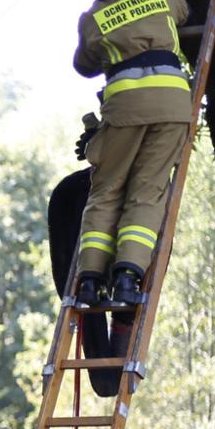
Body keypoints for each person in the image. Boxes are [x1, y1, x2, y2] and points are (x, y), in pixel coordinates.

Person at [71, 0, 192, 308]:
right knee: (148, 191)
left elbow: (84, 65)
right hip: (173, 105)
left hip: (125, 109)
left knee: (106, 191)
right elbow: (184, 12)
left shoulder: (92, 19)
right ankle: (128, 277)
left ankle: (89, 281)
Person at [50, 114, 135, 398]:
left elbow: (65, 280)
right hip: (112, 276)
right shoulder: (132, 187)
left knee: (91, 302)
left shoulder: (66, 190)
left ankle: (109, 376)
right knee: (129, 288)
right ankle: (113, 372)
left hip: (83, 287)